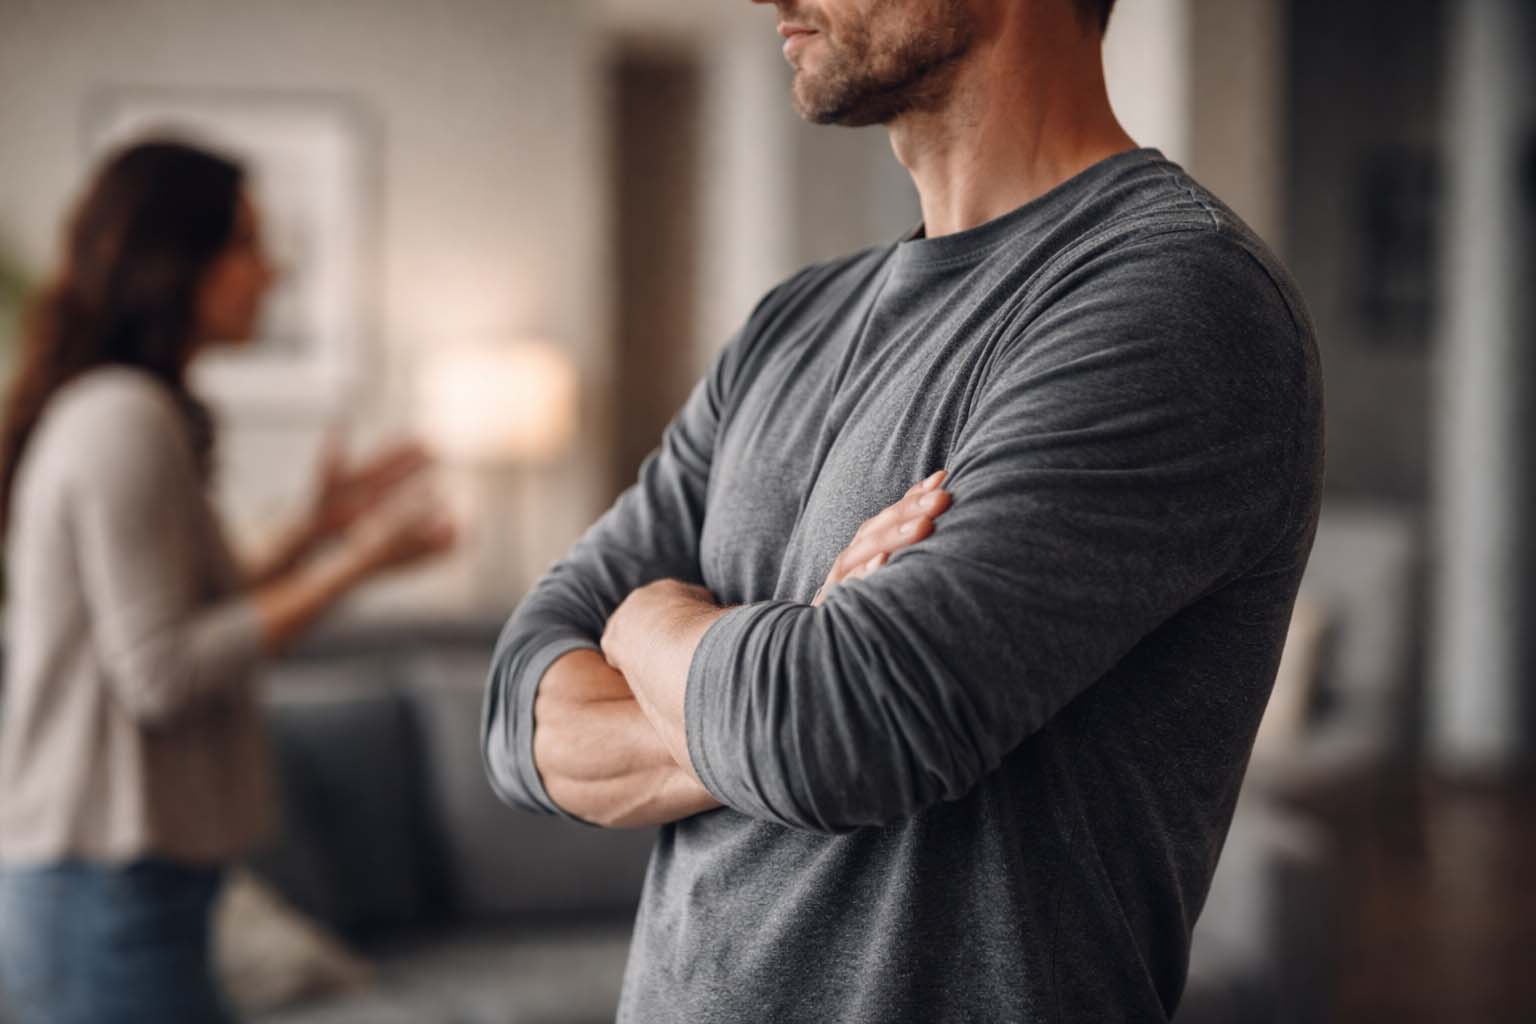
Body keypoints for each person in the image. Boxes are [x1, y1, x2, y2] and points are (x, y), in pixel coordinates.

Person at [483, 0, 1324, 1020]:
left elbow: (842, 729)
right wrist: (781, 673)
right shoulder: (787, 326)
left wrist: (652, 626)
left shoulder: (1177, 300)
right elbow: (519, 706)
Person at [0, 140, 455, 1023]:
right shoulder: (122, 419)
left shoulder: (127, 409)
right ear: (177, 262)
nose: (270, 271)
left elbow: (170, 605)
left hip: (120, 883)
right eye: (246, 242)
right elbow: (161, 670)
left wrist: (313, 533)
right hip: (107, 887)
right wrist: (360, 562)